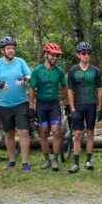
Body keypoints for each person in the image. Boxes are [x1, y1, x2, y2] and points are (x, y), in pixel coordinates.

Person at [0, 36, 32, 171]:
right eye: (8, 48)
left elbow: (30, 76)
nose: (11, 51)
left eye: (13, 48)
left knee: (24, 132)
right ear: (3, 50)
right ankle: (12, 160)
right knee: (9, 133)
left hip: (21, 102)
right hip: (3, 104)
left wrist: (25, 79)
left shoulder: (20, 62)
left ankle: (25, 163)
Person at [29, 43, 67, 171]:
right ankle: (47, 159)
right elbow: (32, 89)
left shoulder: (59, 72)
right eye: (52, 55)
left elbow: (64, 87)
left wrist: (66, 102)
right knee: (43, 132)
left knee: (56, 131)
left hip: (54, 104)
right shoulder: (37, 71)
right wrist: (31, 106)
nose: (55, 58)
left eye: (57, 56)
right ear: (46, 55)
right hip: (41, 105)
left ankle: (55, 159)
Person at [67, 41, 102, 173]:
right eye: (83, 53)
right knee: (77, 134)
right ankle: (76, 162)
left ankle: (88, 160)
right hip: (78, 105)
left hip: (91, 105)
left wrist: (100, 107)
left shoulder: (95, 71)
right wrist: (72, 108)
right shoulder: (73, 70)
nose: (86, 55)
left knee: (90, 133)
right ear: (78, 55)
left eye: (88, 53)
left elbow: (99, 89)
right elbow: (70, 90)